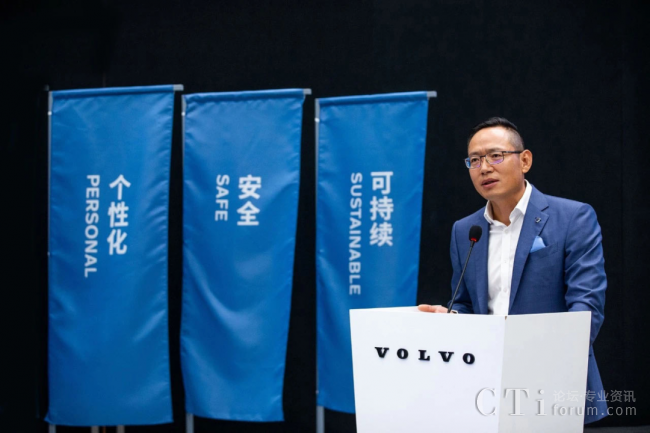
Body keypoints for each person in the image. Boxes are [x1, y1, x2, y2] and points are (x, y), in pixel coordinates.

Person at [418, 117, 607, 423]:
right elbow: (465, 303)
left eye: (495, 155)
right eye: (475, 160)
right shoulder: (465, 230)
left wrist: (559, 356)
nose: (484, 168)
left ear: (525, 161)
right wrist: (451, 318)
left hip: (552, 381)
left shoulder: (573, 218)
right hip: (484, 384)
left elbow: (587, 304)